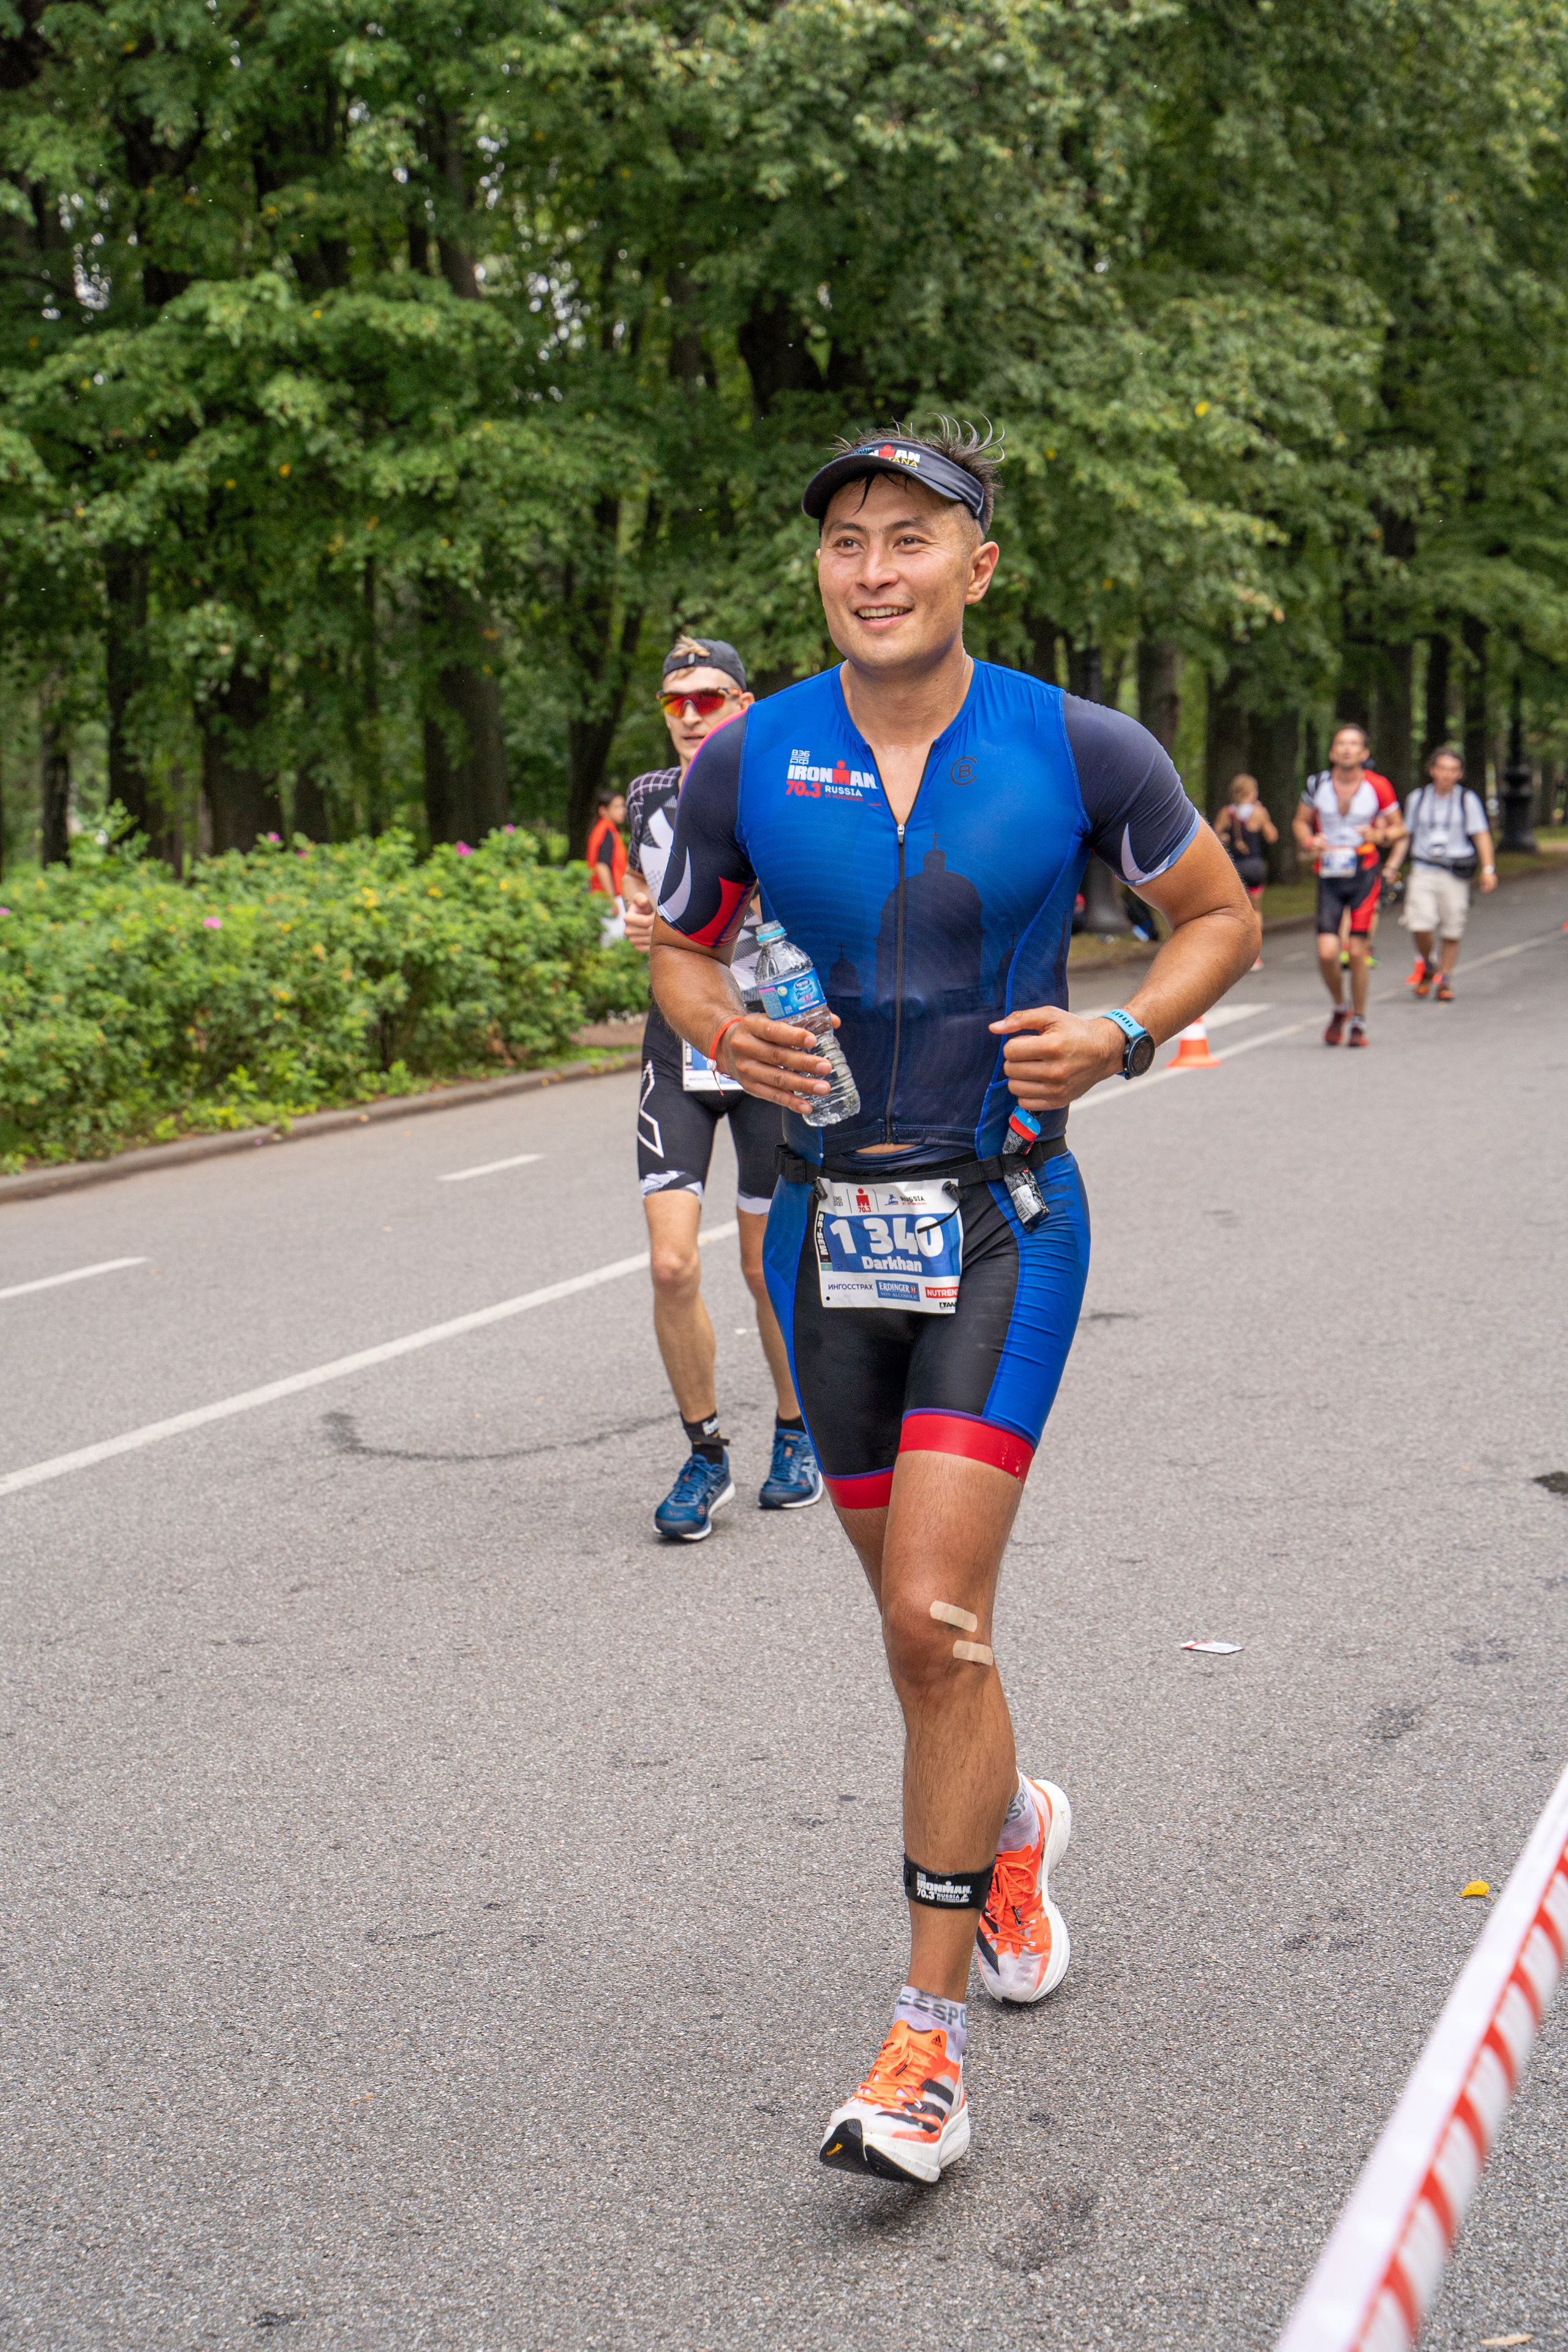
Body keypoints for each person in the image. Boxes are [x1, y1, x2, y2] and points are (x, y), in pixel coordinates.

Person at [647, 424, 1258, 2183]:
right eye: (843, 542)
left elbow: (1216, 913)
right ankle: (1011, 1828)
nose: (870, 570)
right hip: (816, 1240)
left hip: (1003, 1221)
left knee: (934, 1620)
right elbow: (681, 944)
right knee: (916, 1633)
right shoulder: (748, 758)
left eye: (907, 538)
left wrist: (1126, 1032)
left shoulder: (1079, 745)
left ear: (976, 565)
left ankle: (923, 2051)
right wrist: (712, 1024)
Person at [622, 635, 824, 1540]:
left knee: (761, 1266)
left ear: (746, 703)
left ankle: (796, 1430)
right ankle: (704, 1454)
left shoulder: (789, 782)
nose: (692, 714)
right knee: (670, 1263)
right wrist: (635, 918)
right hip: (680, 1047)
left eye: (709, 697)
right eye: (676, 702)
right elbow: (641, 893)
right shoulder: (648, 799)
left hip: (767, 1048)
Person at [1292, 723, 1404, 1046]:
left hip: (1363, 873)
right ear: (1332, 751)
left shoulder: (1378, 786)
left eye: (1353, 744)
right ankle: (1340, 1007)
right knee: (1327, 953)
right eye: (1341, 743)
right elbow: (1299, 821)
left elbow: (1399, 828)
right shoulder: (1318, 784)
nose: (1346, 749)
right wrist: (1309, 839)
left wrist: (1380, 836)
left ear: (1364, 753)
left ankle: (1359, 1019)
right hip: (1328, 874)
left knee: (1357, 952)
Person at [1382, 745, 1496, 999]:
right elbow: (1405, 834)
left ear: (1460, 774)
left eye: (1453, 770)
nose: (1447, 774)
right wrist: (1392, 866)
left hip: (1454, 870)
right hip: (1423, 868)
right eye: (1442, 769)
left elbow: (1481, 835)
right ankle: (1428, 964)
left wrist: (1489, 869)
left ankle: (1444, 979)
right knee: (1419, 923)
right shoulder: (1418, 798)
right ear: (1432, 770)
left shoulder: (1467, 800)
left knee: (1452, 927)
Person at [1214, 773, 1277, 968]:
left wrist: (1226, 837)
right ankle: (1254, 955)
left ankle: (1235, 954)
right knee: (1255, 910)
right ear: (1251, 792)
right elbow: (1272, 837)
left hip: (1235, 868)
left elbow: (1215, 835)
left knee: (1237, 911)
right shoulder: (1259, 812)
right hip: (1255, 866)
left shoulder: (1227, 812)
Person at [586, 789, 628, 900]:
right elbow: (602, 865)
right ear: (603, 810)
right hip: (607, 897)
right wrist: (611, 898)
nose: (622, 811)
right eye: (617, 807)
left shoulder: (605, 830)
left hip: (602, 895)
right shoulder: (606, 831)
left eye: (622, 806)